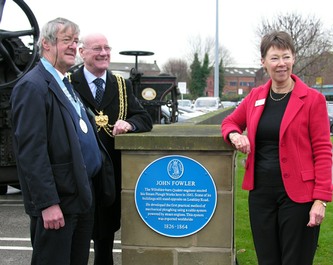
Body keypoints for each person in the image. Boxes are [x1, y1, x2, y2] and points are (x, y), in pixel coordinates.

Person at [221, 31, 332, 265]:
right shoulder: (255, 97)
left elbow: (323, 151)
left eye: (286, 57)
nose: (281, 64)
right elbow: (229, 122)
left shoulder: (313, 100)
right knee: (267, 260)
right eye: (274, 58)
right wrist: (234, 135)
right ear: (263, 62)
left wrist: (320, 200)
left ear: (293, 58)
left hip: (299, 198)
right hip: (261, 195)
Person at [10, 18, 115, 265]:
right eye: (66, 40)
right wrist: (47, 203)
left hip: (79, 196)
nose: (72, 46)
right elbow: (31, 152)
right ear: (46, 44)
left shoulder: (65, 81)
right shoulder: (33, 87)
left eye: (75, 41)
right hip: (58, 201)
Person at [71, 32, 153, 265]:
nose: (104, 53)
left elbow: (144, 118)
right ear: (82, 52)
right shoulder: (67, 83)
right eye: (97, 48)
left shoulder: (122, 84)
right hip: (79, 173)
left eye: (107, 48)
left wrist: (130, 123)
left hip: (110, 176)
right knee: (76, 241)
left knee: (105, 242)